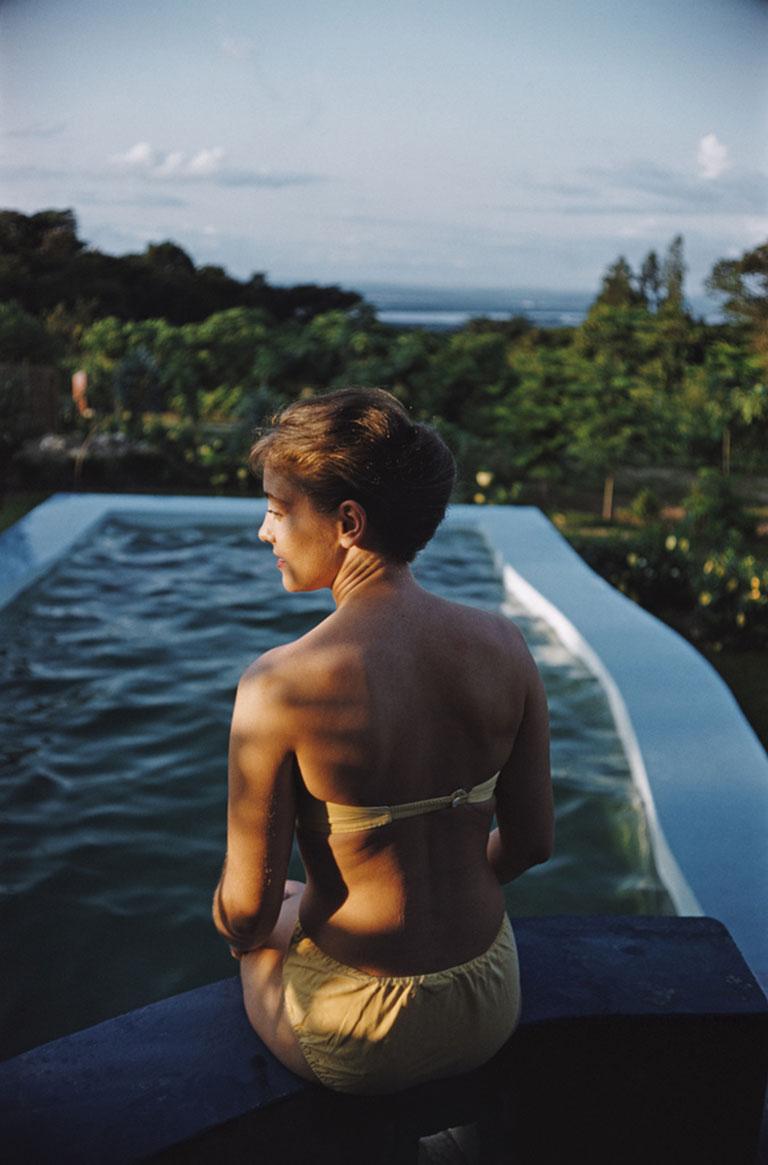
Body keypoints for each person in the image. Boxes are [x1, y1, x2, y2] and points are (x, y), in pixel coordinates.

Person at [212, 387, 553, 1095]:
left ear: (347, 522)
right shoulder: (504, 645)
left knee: (259, 931)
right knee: (296, 900)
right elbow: (530, 845)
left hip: (359, 1032)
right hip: (489, 996)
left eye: (278, 510)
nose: (263, 532)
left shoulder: (279, 685)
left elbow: (245, 909)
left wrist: (237, 923)